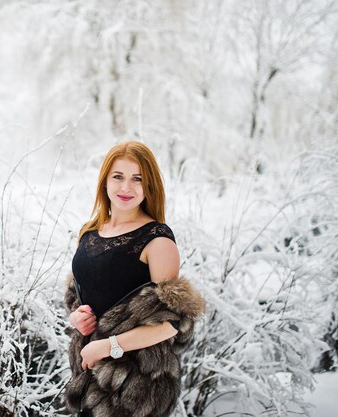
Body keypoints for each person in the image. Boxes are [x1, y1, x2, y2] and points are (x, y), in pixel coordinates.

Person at [63, 141, 205, 417]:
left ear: (149, 185)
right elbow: (81, 293)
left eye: (137, 179)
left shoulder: (157, 240)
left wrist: (108, 346)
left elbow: (172, 324)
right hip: (89, 374)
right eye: (118, 177)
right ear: (105, 181)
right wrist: (76, 317)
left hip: (137, 387)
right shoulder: (90, 233)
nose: (126, 187)